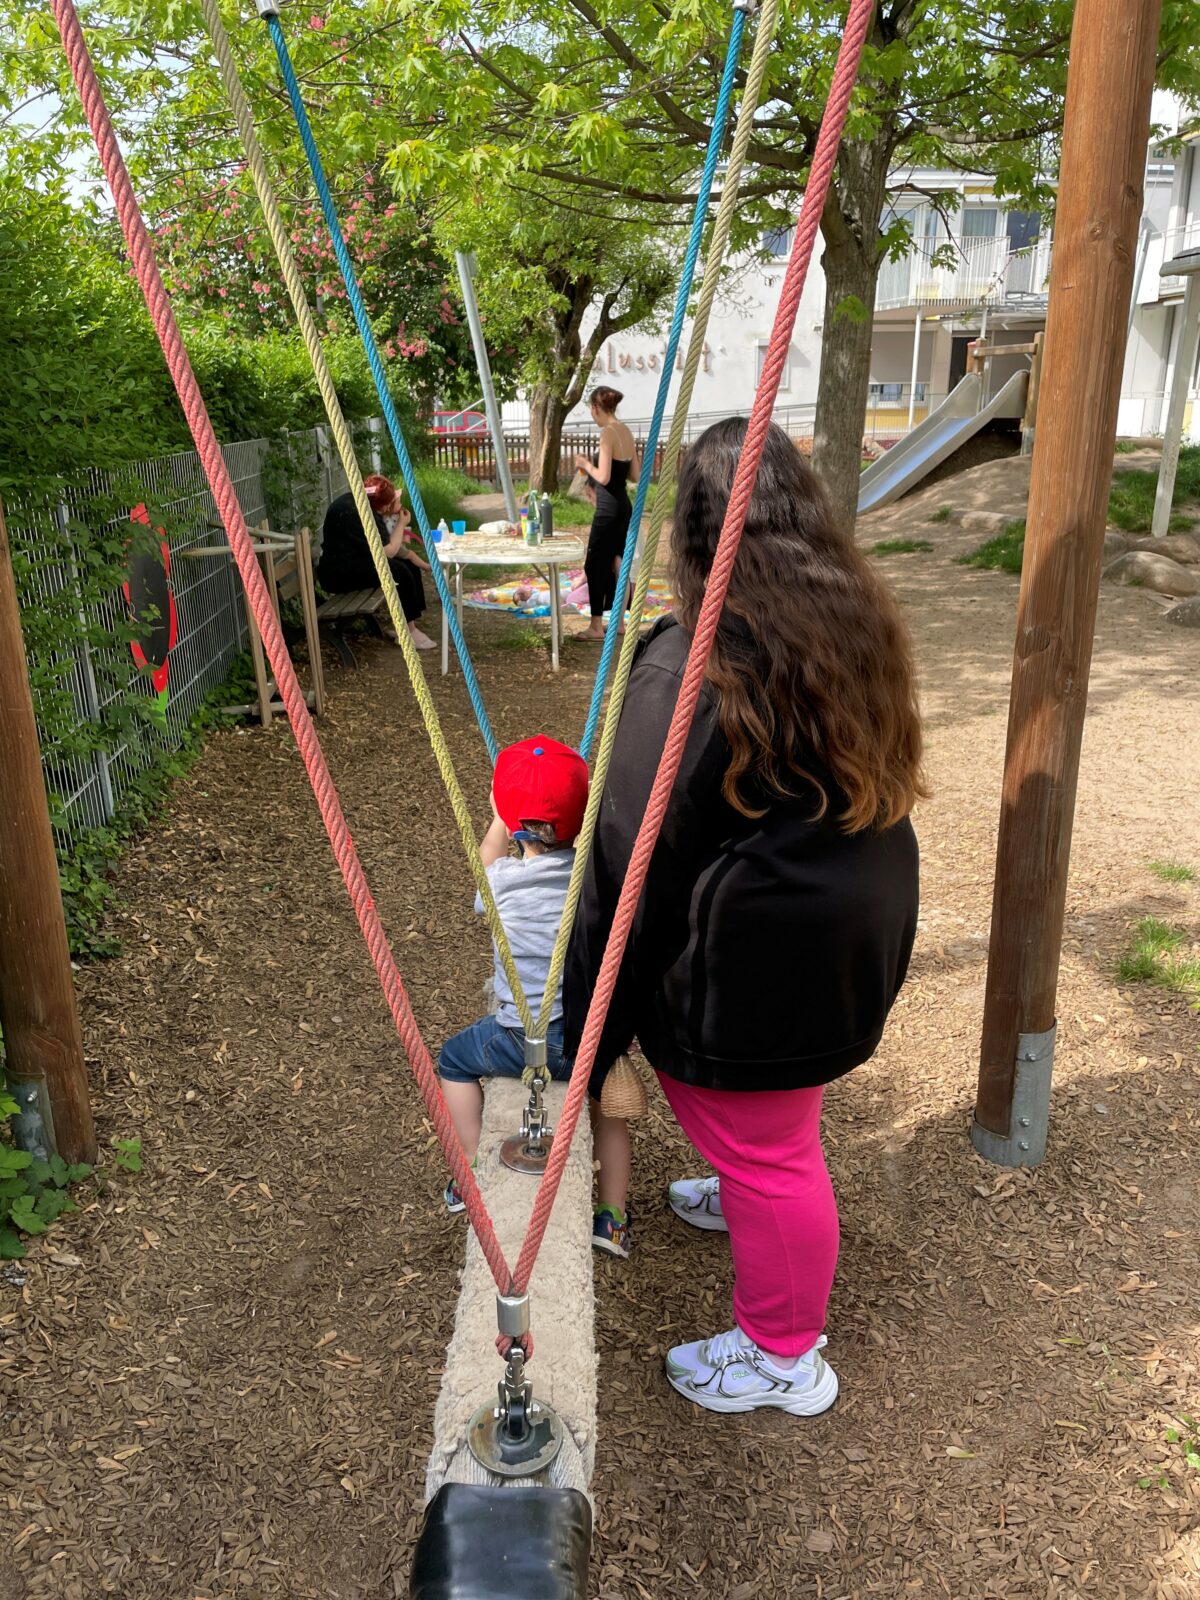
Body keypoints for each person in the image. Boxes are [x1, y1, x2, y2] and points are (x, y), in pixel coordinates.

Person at [564, 417, 925, 1415]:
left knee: (773, 1150)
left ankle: (781, 1351)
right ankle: (747, 1189)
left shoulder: (697, 668)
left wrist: (586, 1023)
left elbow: (631, 862)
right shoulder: (849, 621)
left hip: (772, 955)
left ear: (691, 532)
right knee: (770, 1131)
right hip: (849, 914)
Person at [438, 737, 633, 1258]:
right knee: (609, 1104)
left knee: (452, 1061)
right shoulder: (594, 884)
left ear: (510, 820)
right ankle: (611, 1216)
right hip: (583, 1043)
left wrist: (500, 819)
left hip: (513, 1039)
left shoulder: (499, 881)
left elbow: (485, 858)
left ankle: (471, 1172)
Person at [317, 473, 435, 650]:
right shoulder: (359, 513)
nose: (388, 507)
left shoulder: (362, 504)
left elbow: (388, 549)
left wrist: (414, 559)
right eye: (387, 503)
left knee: (406, 566)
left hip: (352, 563)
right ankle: (409, 632)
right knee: (398, 572)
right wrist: (401, 524)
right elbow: (388, 551)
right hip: (338, 573)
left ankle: (407, 625)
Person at [573, 387, 640, 641]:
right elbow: (634, 475)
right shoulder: (626, 432)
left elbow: (603, 477)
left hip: (607, 507)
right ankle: (620, 622)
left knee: (594, 564)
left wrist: (585, 464)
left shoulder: (608, 433)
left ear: (595, 408)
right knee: (618, 563)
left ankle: (596, 626)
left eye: (591, 410)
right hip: (624, 505)